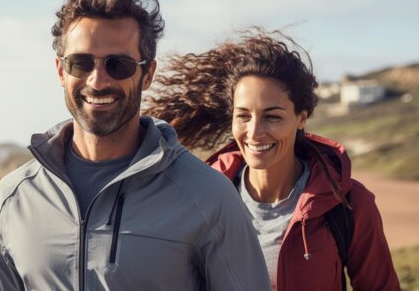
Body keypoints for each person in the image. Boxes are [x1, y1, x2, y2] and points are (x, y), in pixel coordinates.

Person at [0, 0, 271, 290]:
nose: (98, 81)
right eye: (81, 63)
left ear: (148, 74)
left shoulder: (209, 197)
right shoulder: (12, 199)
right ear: (61, 71)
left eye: (119, 65)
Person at [144, 28, 401, 291]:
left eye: (273, 117)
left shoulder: (348, 203)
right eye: (243, 116)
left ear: (302, 117)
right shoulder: (201, 197)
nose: (254, 133)